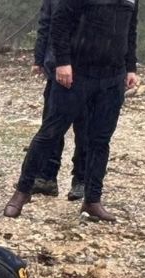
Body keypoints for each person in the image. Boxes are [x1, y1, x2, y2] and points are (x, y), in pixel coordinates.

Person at [4, 0, 139, 222]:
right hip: (75, 75)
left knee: (100, 140)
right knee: (50, 133)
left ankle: (92, 200)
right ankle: (22, 191)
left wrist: (131, 67)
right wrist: (62, 62)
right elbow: (59, 23)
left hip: (112, 77)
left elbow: (130, 30)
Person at [30, 0, 86, 201]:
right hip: (57, 67)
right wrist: (38, 58)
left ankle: (81, 180)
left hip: (89, 66)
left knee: (85, 126)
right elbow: (46, 22)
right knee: (52, 125)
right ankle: (46, 177)